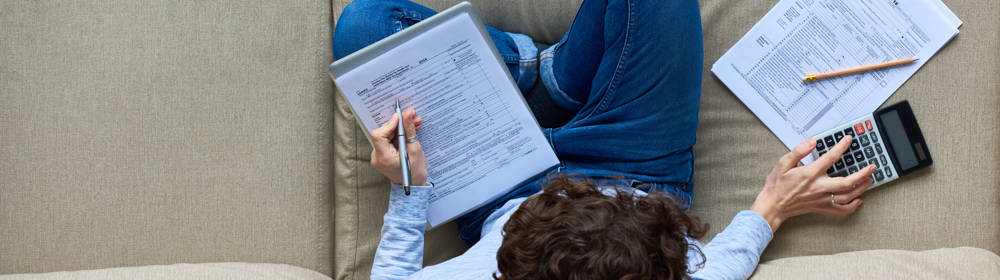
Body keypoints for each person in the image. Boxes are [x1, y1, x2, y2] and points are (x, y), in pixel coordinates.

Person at [333, 0, 876, 279]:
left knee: (363, 25)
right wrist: (772, 207)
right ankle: (555, 81)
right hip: (634, 161)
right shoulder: (664, 269)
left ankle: (539, 78)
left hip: (499, 188)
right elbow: (725, 266)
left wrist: (409, 186)